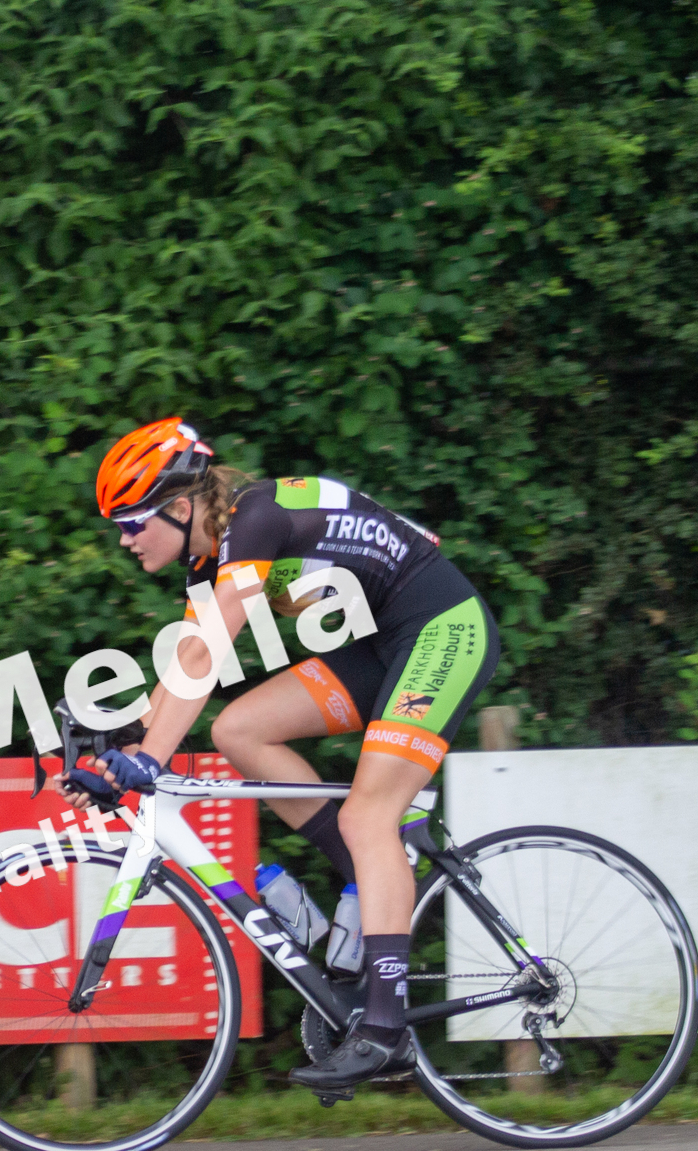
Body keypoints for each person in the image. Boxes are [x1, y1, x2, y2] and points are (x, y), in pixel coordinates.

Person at [68, 418, 500, 1091]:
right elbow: (187, 661)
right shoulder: (206, 557)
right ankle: (370, 882)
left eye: (131, 522)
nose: (124, 540)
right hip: (379, 644)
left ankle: (385, 1029)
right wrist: (118, 742)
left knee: (368, 818)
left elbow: (211, 651)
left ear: (181, 508)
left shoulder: (256, 521)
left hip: (441, 630)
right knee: (238, 730)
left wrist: (148, 760)